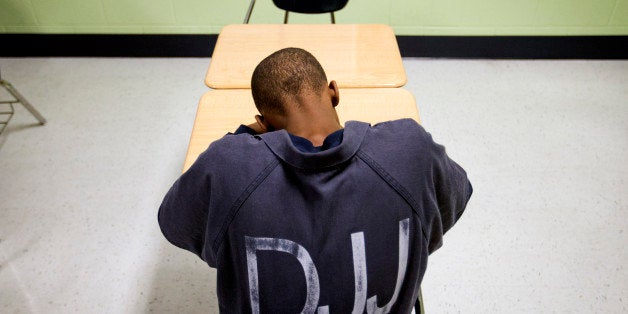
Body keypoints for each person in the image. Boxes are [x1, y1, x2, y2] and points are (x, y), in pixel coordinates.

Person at [158, 47, 472, 313]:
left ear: (263, 123)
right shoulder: (408, 149)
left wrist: (246, 139)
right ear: (334, 92)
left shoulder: (227, 167)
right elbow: (447, 208)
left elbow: (177, 226)